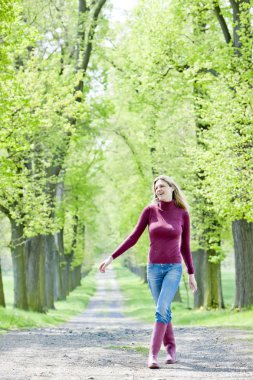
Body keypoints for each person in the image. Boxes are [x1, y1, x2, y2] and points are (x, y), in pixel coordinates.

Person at [99, 174, 197, 369]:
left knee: (161, 309)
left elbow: (185, 247)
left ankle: (152, 355)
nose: (158, 189)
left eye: (162, 186)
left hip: (173, 268)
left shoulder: (182, 213)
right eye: (156, 187)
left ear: (172, 188)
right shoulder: (150, 211)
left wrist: (191, 273)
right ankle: (171, 349)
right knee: (164, 310)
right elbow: (133, 237)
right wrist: (111, 258)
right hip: (153, 269)